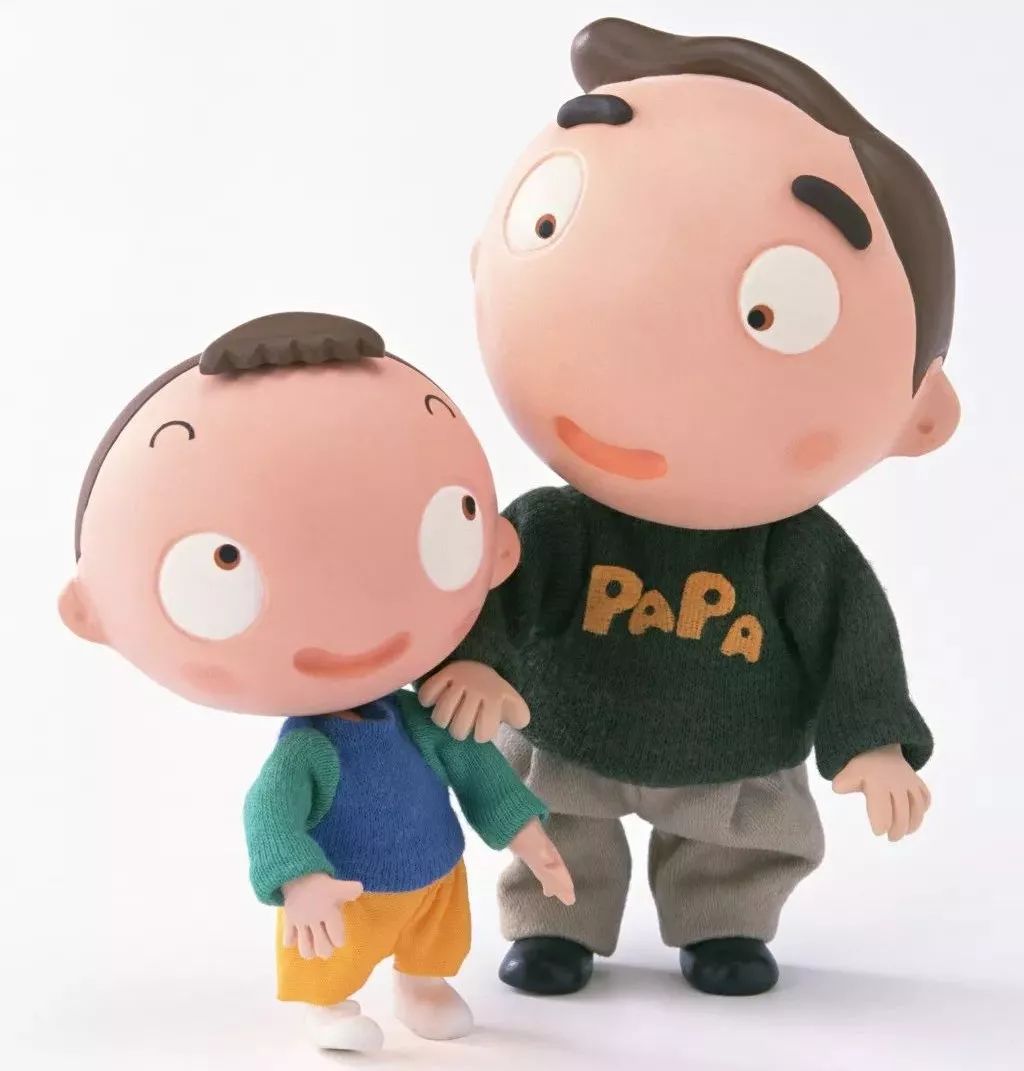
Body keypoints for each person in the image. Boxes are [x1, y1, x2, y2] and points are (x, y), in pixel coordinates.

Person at [420, 18, 956, 999]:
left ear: (917, 415)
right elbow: (503, 592)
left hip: (731, 754)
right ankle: (556, 922)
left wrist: (872, 739)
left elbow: (852, 641)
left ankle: (725, 922)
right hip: (568, 728)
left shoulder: (797, 554)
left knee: (734, 844)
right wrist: (482, 662)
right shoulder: (556, 524)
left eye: (770, 313)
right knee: (556, 825)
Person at [59, 311, 574, 1051]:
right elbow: (270, 815)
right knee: (328, 950)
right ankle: (329, 1006)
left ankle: (423, 985)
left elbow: (477, 769)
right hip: (346, 889)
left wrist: (526, 833)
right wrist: (298, 880)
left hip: (435, 876)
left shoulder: (418, 720)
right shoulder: (307, 752)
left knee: (436, 940)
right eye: (221, 565)